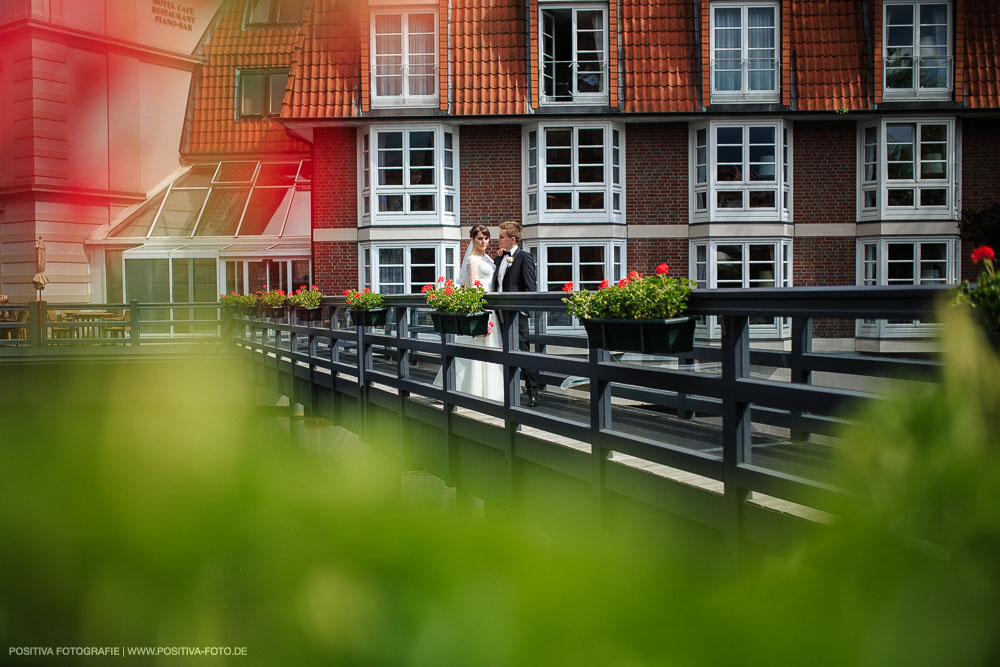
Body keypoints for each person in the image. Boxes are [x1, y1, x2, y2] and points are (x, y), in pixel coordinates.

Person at [434, 225, 504, 401]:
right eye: (480, 238)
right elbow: (473, 286)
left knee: (490, 348)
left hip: (491, 307)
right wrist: (480, 312)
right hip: (482, 307)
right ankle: (468, 389)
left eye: (486, 238)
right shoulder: (472, 260)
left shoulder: (488, 257)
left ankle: (489, 391)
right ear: (473, 239)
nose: (483, 242)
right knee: (474, 345)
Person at [492, 220, 541, 407]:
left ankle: (532, 392)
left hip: (517, 316)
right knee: (503, 353)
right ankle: (507, 391)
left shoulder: (524, 257)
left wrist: (522, 312)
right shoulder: (498, 258)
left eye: (501, 237)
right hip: (499, 315)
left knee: (523, 353)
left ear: (512, 239)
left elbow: (530, 288)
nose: (498, 240)